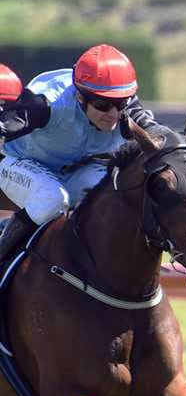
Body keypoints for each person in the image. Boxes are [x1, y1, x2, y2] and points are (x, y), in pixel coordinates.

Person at [0, 44, 157, 263]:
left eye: (120, 103)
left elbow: (160, 138)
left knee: (113, 196)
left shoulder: (128, 110)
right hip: (20, 162)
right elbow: (9, 122)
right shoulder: (46, 102)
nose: (113, 114)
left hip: (76, 168)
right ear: (80, 97)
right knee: (53, 199)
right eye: (102, 104)